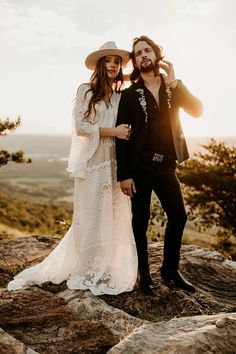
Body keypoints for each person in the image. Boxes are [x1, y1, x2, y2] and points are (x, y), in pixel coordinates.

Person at [8, 41, 138, 295]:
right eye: (108, 60)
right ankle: (84, 267)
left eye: (117, 61)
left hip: (114, 165)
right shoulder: (86, 91)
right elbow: (81, 127)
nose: (113, 65)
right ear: (100, 65)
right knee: (89, 218)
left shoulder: (122, 96)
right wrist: (114, 132)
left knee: (112, 217)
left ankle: (107, 265)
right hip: (91, 164)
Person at [116, 35, 203, 295]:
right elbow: (122, 139)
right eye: (138, 53)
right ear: (134, 62)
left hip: (166, 166)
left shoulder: (173, 88)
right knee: (139, 222)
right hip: (139, 168)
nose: (143, 55)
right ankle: (144, 273)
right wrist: (124, 175)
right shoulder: (129, 95)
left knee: (179, 216)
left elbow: (197, 111)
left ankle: (170, 269)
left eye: (147, 50)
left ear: (156, 55)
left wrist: (175, 82)